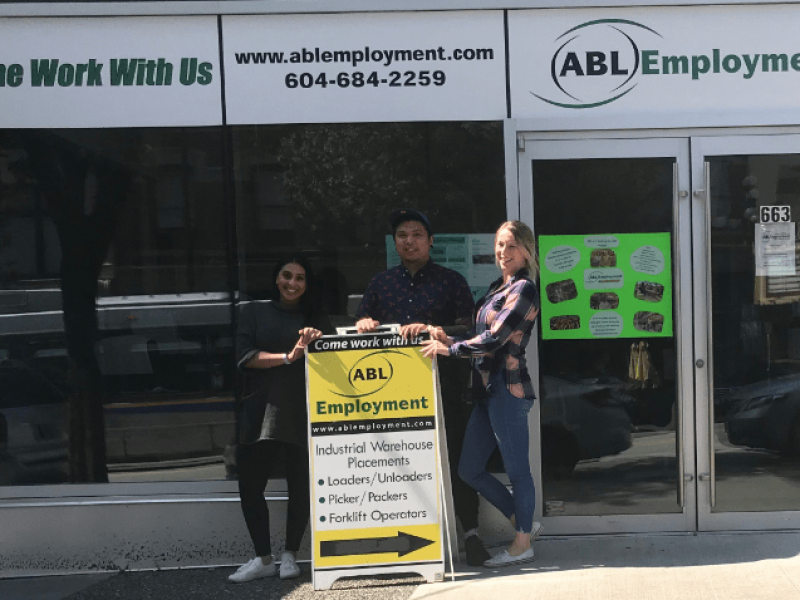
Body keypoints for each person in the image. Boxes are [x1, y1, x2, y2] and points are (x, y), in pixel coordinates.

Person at [355, 208, 490, 567]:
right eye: (402, 235)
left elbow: (469, 328)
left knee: (458, 459)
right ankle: (404, 543)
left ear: (430, 242)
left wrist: (433, 329)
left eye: (417, 234)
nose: (409, 241)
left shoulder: (451, 280)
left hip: (445, 386)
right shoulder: (380, 284)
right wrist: (366, 323)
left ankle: (471, 534)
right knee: (401, 464)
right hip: (394, 395)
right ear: (394, 242)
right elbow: (363, 326)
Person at [422, 220, 542, 568]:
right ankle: (525, 524)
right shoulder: (497, 287)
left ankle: (523, 544)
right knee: (469, 469)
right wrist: (448, 339)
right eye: (500, 245)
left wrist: (451, 350)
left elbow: (495, 338)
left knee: (518, 470)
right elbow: (479, 333)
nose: (503, 252)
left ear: (527, 250)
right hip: (485, 391)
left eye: (512, 246)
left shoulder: (525, 289)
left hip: (508, 388)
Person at [229, 256, 330, 583]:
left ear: (307, 285)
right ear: (276, 278)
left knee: (300, 485)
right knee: (250, 486)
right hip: (260, 411)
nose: (292, 283)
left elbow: (334, 361)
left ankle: (290, 555)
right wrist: (290, 356)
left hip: (302, 410)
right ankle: (263, 558)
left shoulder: (314, 319)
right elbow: (245, 358)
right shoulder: (253, 312)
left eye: (300, 278)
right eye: (287, 275)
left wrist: (316, 342)